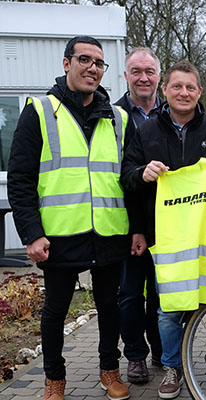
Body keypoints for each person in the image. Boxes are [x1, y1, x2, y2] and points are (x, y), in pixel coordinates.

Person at [8, 36, 132, 400]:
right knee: (56, 311)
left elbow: (130, 176)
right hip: (59, 234)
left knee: (110, 307)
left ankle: (110, 370)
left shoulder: (119, 118)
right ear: (66, 64)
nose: (92, 68)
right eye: (84, 60)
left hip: (109, 231)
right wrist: (31, 233)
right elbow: (20, 177)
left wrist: (136, 228)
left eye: (99, 63)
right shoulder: (41, 112)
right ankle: (54, 379)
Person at [120, 60, 206, 399]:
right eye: (177, 86)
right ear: (165, 89)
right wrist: (142, 173)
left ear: (199, 92)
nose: (183, 93)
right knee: (169, 308)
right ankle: (172, 367)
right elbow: (126, 176)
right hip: (168, 238)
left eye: (190, 87)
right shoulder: (147, 131)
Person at [114, 47, 164, 383]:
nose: (143, 77)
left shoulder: (175, 112)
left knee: (163, 296)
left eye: (149, 71)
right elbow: (119, 174)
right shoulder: (112, 115)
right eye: (136, 71)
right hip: (128, 224)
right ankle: (135, 356)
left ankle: (164, 352)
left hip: (169, 223)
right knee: (131, 294)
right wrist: (135, 228)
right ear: (126, 75)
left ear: (159, 76)